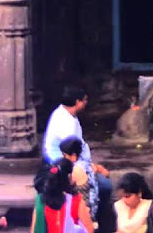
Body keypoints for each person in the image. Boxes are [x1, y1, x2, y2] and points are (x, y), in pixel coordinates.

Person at [43, 86, 116, 233]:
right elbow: (72, 156)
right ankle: (95, 221)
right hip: (65, 163)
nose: (86, 103)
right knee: (104, 185)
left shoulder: (63, 112)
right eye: (85, 100)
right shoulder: (66, 124)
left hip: (73, 161)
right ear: (78, 102)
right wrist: (93, 168)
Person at [37, 158, 94, 233]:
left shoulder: (41, 200)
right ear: (69, 176)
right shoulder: (76, 201)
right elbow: (89, 230)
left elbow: (35, 228)